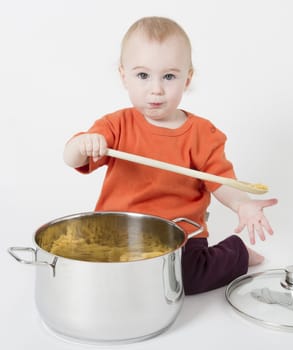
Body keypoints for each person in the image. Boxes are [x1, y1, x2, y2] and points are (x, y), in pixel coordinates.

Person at [63, 16, 277, 295]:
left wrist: (243, 205)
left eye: (169, 76)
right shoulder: (115, 126)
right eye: (143, 75)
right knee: (95, 271)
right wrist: (84, 145)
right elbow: (71, 157)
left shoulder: (202, 133)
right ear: (123, 75)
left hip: (180, 238)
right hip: (118, 233)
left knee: (184, 280)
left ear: (187, 79)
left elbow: (221, 181)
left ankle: (236, 255)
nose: (156, 89)